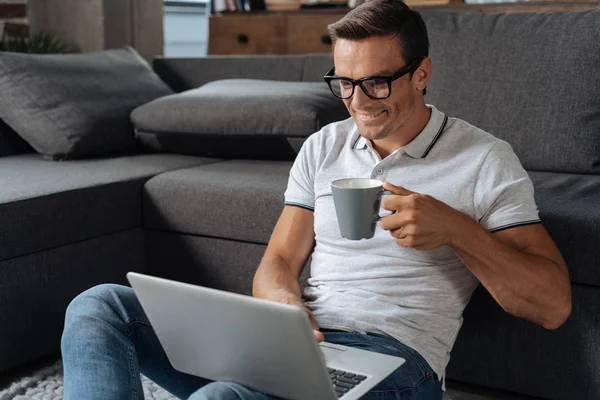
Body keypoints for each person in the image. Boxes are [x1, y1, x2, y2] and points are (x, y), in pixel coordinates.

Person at [60, 0, 572, 399]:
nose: (357, 102)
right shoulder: (324, 145)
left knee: (224, 397)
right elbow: (278, 262)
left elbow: (552, 305)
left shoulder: (483, 159)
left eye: (374, 82)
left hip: (396, 361)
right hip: (301, 344)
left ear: (421, 73)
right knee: (100, 306)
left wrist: (457, 229)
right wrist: (283, 304)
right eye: (344, 84)